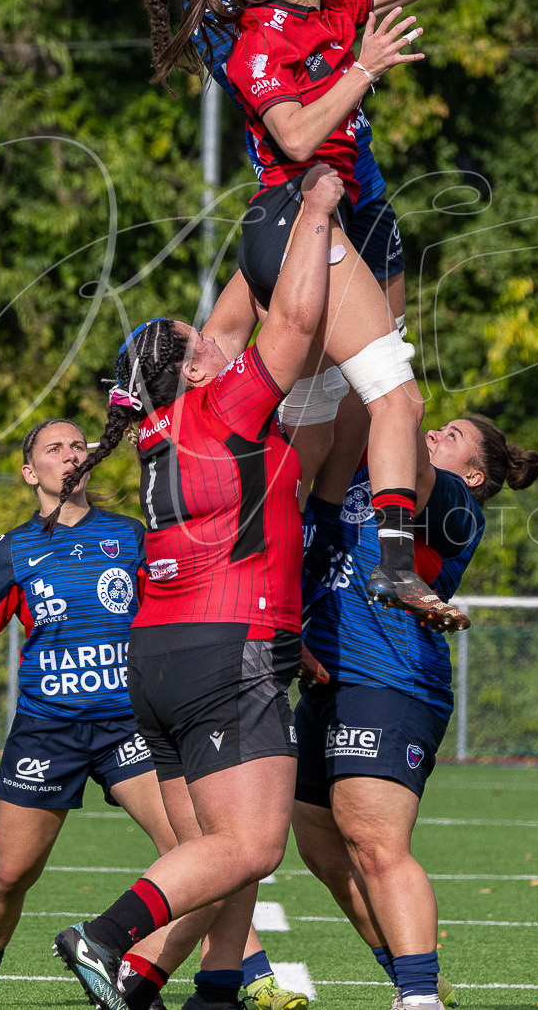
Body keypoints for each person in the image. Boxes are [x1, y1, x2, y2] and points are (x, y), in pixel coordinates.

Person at [198, 0, 538, 631]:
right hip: (300, 223)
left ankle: (254, 594)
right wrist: (364, 68)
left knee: (309, 431)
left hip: (320, 227)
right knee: (395, 393)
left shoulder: (324, 3)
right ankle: (394, 567)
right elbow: (294, 131)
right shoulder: (253, 43)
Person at [48, 165, 345, 1010]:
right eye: (203, 340)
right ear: (191, 367)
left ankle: (182, 986)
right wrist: (317, 207)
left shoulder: (154, 427)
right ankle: (105, 939)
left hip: (160, 656)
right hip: (225, 647)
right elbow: (288, 314)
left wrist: (267, 207)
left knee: (213, 849)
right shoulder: (226, 406)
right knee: (251, 844)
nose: (221, 340)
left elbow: (229, 315)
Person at [0, 420, 295, 1010]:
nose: (71, 453)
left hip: (130, 724)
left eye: (79, 444)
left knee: (203, 849)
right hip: (47, 729)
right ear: (32, 473)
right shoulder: (15, 548)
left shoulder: (131, 536)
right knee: (10, 875)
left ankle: (247, 977)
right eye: (55, 448)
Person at [135, 0, 480, 322]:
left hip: (346, 161)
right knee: (372, 357)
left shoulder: (223, 3)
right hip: (313, 180)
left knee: (376, 363)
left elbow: (315, 27)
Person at [293, 415, 538, 1010]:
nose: (435, 436)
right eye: (437, 430)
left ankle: (418, 996)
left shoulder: (455, 503)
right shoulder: (376, 476)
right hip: (329, 679)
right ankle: (421, 980)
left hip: (390, 677)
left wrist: (387, 389)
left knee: (375, 842)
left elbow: (398, 436)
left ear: (476, 473)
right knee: (323, 849)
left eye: (452, 435)